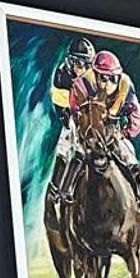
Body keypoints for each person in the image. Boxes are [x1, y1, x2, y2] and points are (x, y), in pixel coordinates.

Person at [66, 51, 140, 214]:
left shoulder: (125, 87)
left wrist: (126, 133)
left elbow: (136, 113)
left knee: (129, 157)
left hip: (111, 133)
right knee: (77, 153)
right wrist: (82, 127)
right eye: (103, 78)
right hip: (88, 131)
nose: (108, 83)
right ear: (95, 75)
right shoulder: (82, 85)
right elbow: (73, 108)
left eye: (112, 78)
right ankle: (66, 191)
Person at [43, 36, 98, 205]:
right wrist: (70, 121)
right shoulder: (62, 75)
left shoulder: (92, 75)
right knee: (65, 147)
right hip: (69, 113)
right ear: (71, 61)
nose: (84, 69)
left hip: (88, 115)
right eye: (80, 64)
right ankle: (57, 189)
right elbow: (61, 104)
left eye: (87, 65)